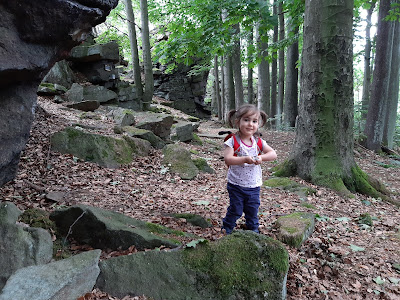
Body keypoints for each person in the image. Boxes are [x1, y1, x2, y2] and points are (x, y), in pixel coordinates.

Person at [222, 104, 277, 234]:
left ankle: (253, 231)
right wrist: (244, 159)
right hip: (236, 184)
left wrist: (261, 158)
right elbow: (228, 159)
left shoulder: (258, 142)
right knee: (236, 209)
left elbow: (273, 154)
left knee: (252, 210)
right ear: (238, 121)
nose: (250, 124)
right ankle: (227, 228)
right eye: (246, 120)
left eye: (254, 121)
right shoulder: (233, 141)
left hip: (254, 185)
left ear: (259, 124)